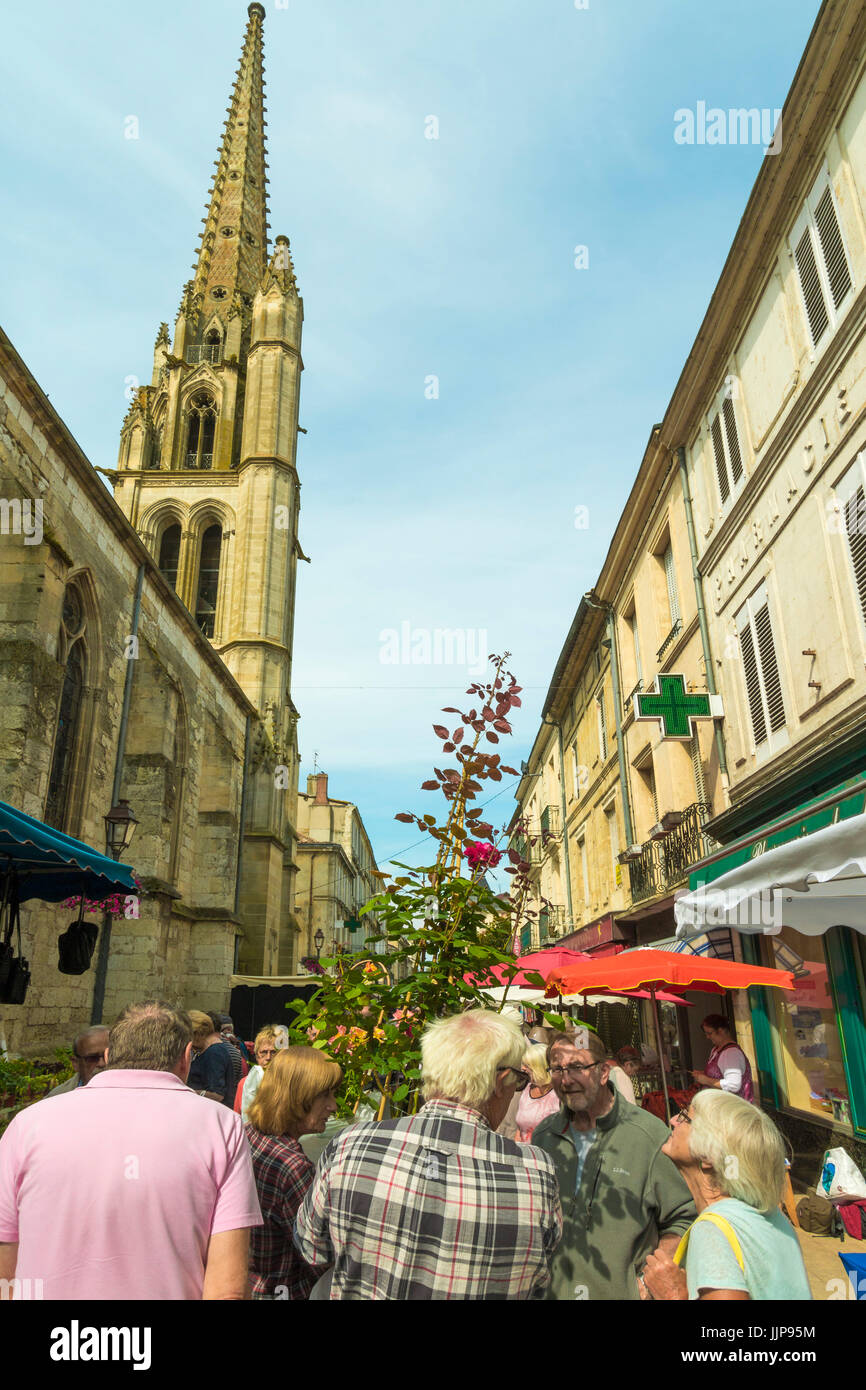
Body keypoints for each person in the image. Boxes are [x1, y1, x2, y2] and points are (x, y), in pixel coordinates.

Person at [0, 1000, 262, 1300]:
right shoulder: (221, 1126)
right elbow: (226, 1289)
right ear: (187, 1058)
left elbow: (5, 1266)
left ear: (109, 1056)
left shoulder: (28, 1125)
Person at [294, 1009, 563, 1299]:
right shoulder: (534, 1173)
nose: (516, 1091)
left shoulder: (350, 1145)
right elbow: (539, 1283)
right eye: (518, 1082)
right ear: (501, 1082)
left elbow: (312, 1248)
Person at [531, 1029, 695, 1300]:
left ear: (604, 1072)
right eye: (557, 1070)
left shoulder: (648, 1134)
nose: (566, 1079)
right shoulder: (544, 1136)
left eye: (576, 1067)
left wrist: (649, 1279)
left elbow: (684, 1217)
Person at [642, 1090, 812, 1301]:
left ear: (708, 1155)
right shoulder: (774, 1217)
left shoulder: (713, 1227)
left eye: (685, 1118)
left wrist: (672, 1295)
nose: (673, 1120)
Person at [245, 1046, 342, 1299]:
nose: (333, 1106)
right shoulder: (292, 1166)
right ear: (299, 1097)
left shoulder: (247, 1134)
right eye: (325, 1095)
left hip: (249, 1285)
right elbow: (318, 1255)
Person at [691, 1014, 754, 1101]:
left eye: (709, 1033)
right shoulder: (715, 1050)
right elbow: (720, 1074)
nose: (707, 1037)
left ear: (721, 1031)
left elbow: (734, 1085)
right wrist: (703, 1074)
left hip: (732, 1109)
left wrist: (706, 1080)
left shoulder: (731, 1053)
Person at [187, 1010, 236, 1106]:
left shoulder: (215, 1053)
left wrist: (188, 1092)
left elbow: (217, 1095)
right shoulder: (209, 1051)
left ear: (198, 1034)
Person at [44, 1026, 109, 1096]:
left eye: (109, 1056)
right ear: (76, 1063)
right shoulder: (57, 1098)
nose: (102, 1063)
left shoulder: (122, 1094)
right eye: (92, 1058)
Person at [515, 1043, 560, 1141]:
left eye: (527, 1065)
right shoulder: (527, 1089)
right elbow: (520, 1129)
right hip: (524, 1152)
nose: (523, 1068)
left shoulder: (558, 1095)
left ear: (539, 1067)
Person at [240, 1026, 280, 1120]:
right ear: (257, 1055)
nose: (268, 1057)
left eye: (273, 1052)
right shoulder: (247, 1081)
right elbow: (243, 1116)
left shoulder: (288, 1078)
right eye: (264, 1052)